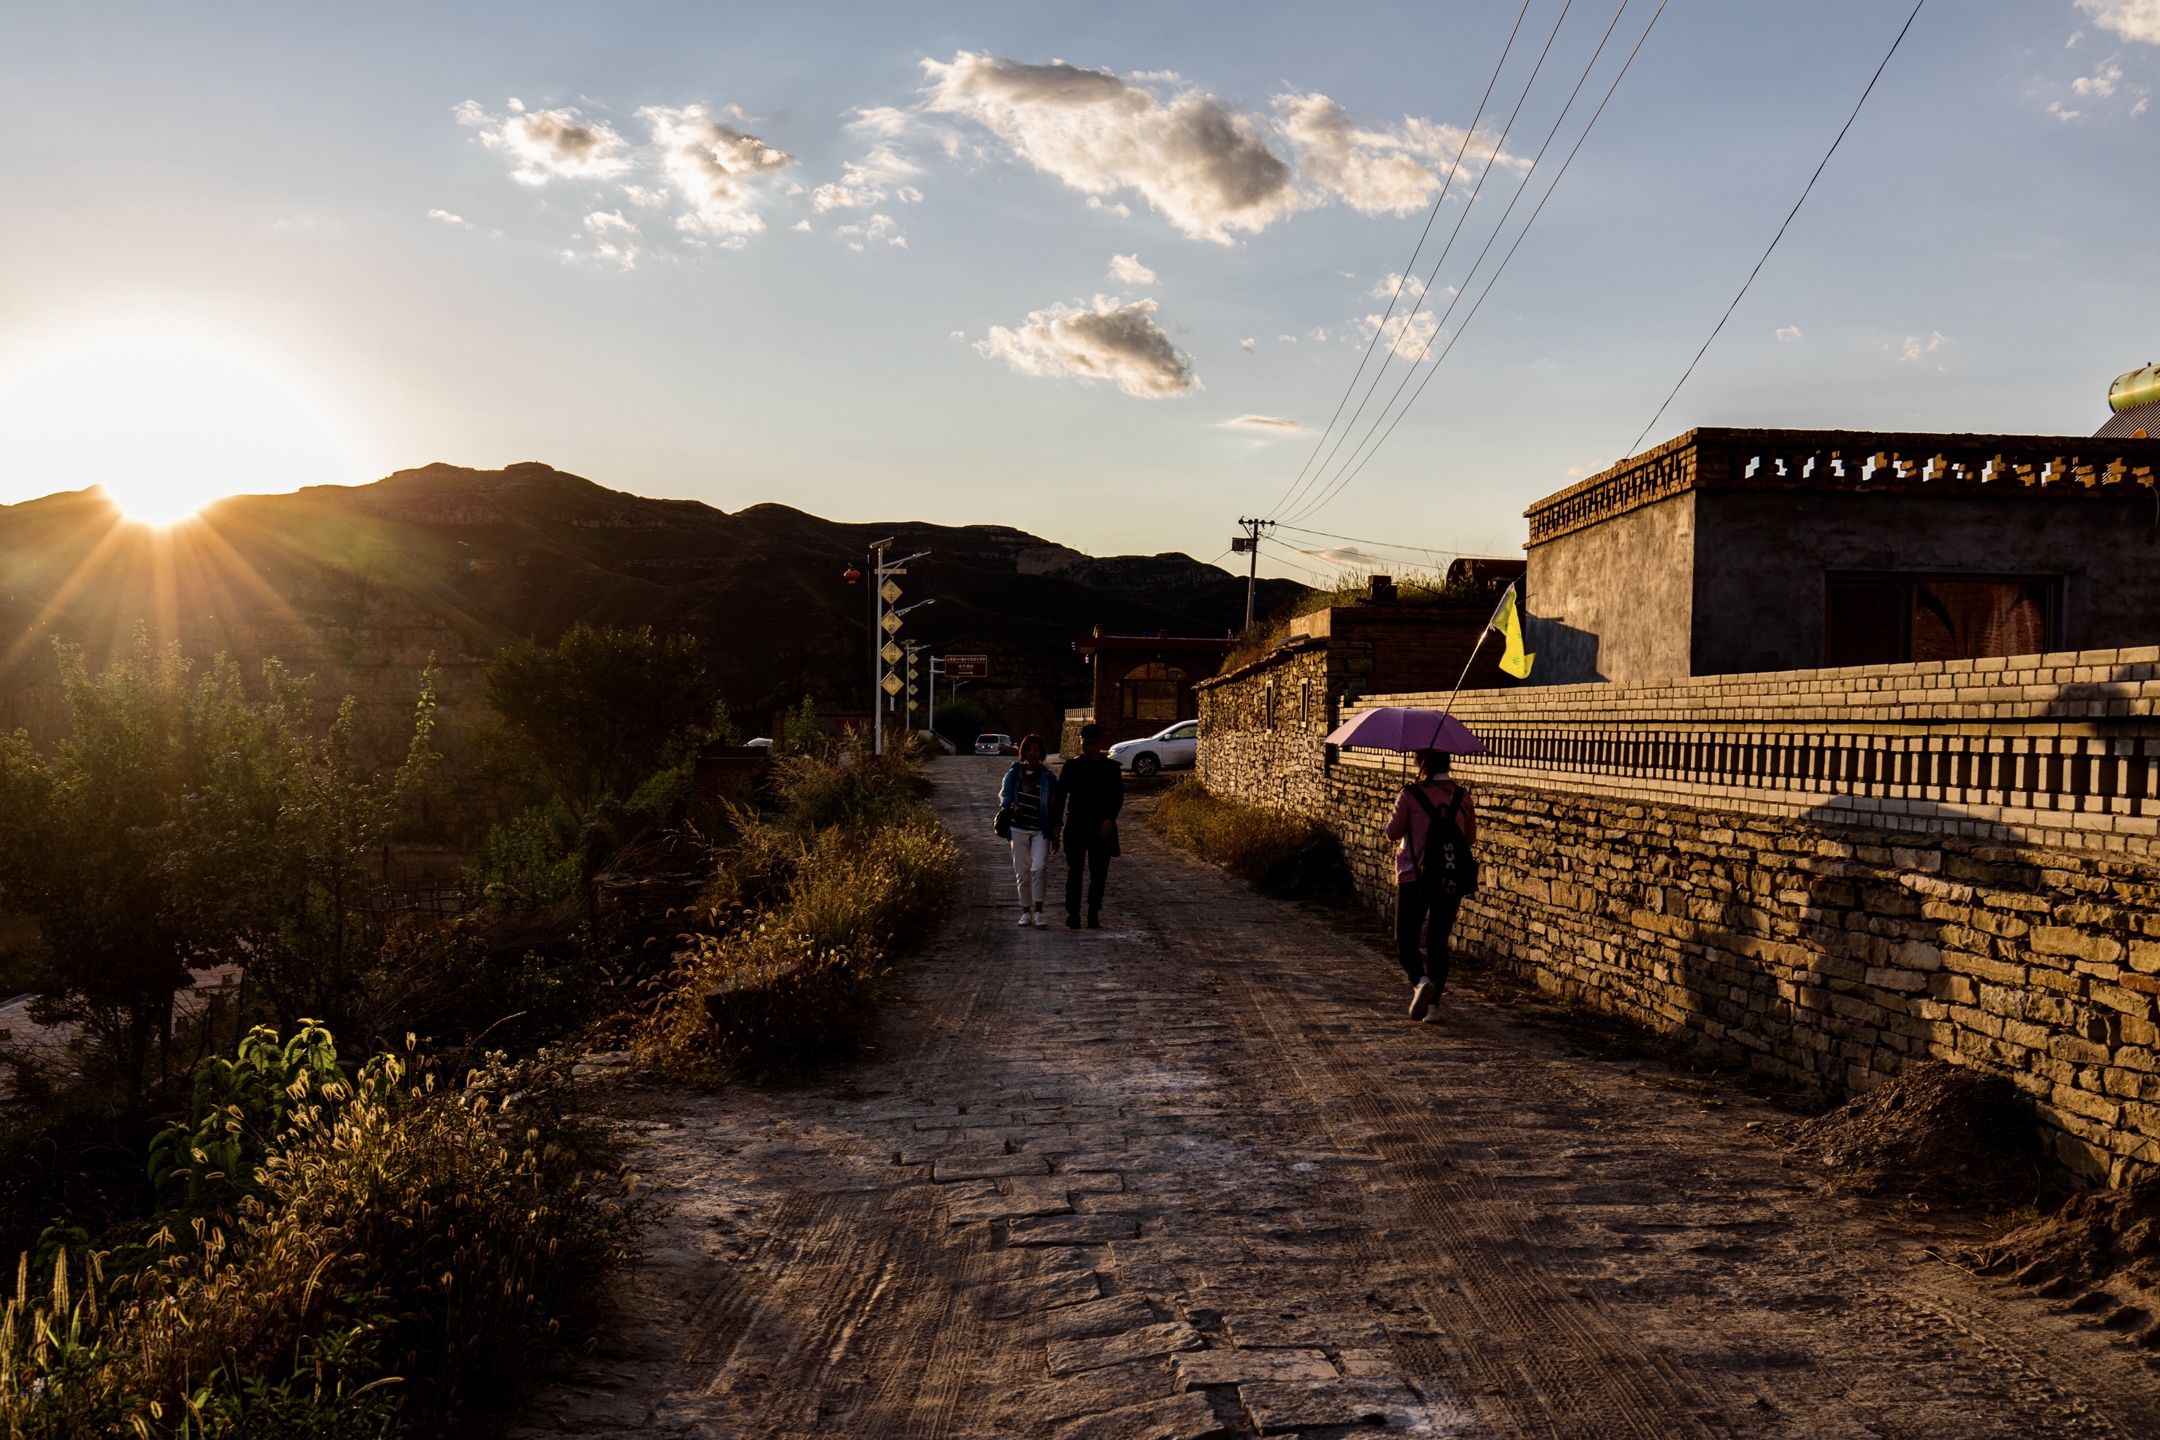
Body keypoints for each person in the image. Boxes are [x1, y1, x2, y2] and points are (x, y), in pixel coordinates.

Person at [1384, 748, 1477, 1022]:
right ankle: (1433, 1008)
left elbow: (1392, 833)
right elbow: (1469, 839)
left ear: (1420, 763)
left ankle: (1420, 981)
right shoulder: (1463, 796)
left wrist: (1405, 803)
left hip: (1415, 877)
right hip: (1450, 878)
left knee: (1405, 940)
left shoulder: (1410, 794)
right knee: (1438, 941)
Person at [1051, 722, 1123, 929]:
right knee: (1074, 871)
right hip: (1076, 825)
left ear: (1101, 743)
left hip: (1101, 827)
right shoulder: (1072, 767)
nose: (1089, 748)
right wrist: (1057, 824)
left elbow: (1117, 797)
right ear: (1080, 743)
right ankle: (1073, 914)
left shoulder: (1110, 768)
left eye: (1093, 743)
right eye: (1085, 744)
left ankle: (1093, 913)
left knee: (1098, 873)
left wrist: (1110, 818)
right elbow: (1060, 796)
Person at [998, 734, 1060, 927]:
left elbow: (1055, 805)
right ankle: (1026, 911)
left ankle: (1039, 911)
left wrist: (1056, 830)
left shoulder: (1049, 777)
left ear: (1041, 753)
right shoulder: (1014, 774)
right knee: (1022, 871)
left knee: (1039, 867)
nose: (1032, 754)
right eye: (1029, 750)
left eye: (1036, 750)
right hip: (1018, 830)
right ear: (1023, 752)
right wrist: (1013, 805)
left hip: (1040, 829)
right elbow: (1004, 795)